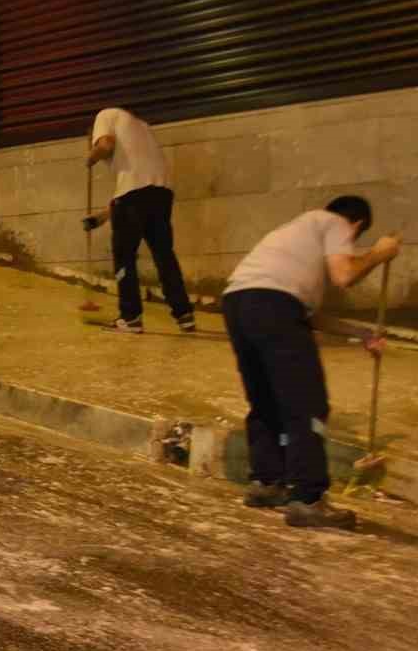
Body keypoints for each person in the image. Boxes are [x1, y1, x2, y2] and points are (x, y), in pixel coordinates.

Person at [222, 195, 401, 529]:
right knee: (308, 405)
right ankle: (307, 498)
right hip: (271, 305)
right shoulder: (334, 223)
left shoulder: (292, 234)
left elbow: (299, 312)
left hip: (237, 303)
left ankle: (267, 482)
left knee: (265, 399)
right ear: (356, 224)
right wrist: (379, 253)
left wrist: (362, 334)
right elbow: (344, 274)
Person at [82, 106, 195, 333]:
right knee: (164, 255)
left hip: (136, 198)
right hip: (161, 193)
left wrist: (91, 157)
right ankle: (184, 313)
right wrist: (102, 217)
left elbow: (105, 146)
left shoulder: (104, 116)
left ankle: (130, 316)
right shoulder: (141, 127)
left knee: (124, 256)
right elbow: (136, 192)